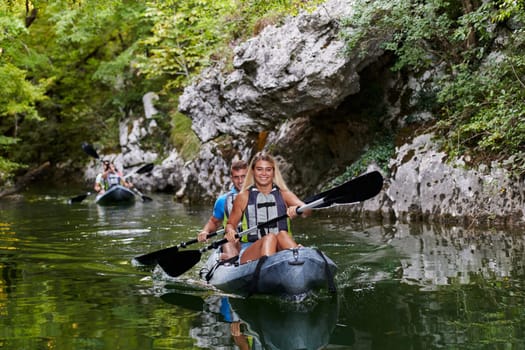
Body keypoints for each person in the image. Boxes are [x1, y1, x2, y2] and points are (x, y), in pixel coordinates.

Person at [225, 152, 311, 264]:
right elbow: (230, 224)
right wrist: (231, 231)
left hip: (280, 247)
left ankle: (300, 258)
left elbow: (307, 210)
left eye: (268, 169)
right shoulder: (243, 196)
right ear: (253, 171)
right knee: (270, 237)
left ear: (273, 172)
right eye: (259, 169)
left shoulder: (284, 194)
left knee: (282, 234)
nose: (264, 173)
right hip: (251, 249)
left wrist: (299, 209)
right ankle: (271, 268)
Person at [197, 160, 249, 260]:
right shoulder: (223, 200)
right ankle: (227, 259)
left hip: (254, 241)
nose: (240, 181)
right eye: (236, 177)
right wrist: (205, 231)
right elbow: (214, 222)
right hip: (233, 242)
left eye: (243, 176)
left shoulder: (260, 196)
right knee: (228, 240)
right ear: (231, 178)